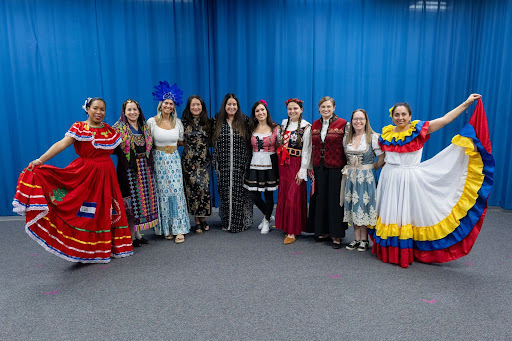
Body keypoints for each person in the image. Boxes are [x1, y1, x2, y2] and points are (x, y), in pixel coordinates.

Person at [368, 94, 494, 268]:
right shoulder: (387, 134)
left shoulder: (418, 130)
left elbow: (445, 119)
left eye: (403, 114)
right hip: (388, 178)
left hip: (408, 178)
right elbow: (380, 156)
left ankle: (406, 250)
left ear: (410, 116)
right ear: (392, 116)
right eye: (397, 115)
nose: (400, 118)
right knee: (390, 213)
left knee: (406, 214)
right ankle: (390, 249)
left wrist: (466, 103)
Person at [12, 97, 133, 263]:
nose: (99, 112)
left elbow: (119, 149)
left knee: (105, 210)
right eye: (95, 108)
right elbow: (61, 144)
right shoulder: (79, 127)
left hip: (107, 176)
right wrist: (40, 160)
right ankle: (84, 249)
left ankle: (105, 247)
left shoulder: (108, 130)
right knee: (86, 212)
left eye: (102, 109)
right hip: (86, 176)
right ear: (87, 109)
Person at [148, 81, 190, 243]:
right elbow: (147, 143)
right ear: (161, 104)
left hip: (173, 160)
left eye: (171, 103)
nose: (168, 106)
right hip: (158, 161)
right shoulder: (152, 122)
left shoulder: (177, 123)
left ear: (174, 106)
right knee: (163, 193)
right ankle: (167, 228)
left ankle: (178, 228)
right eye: (165, 103)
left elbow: (180, 141)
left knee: (176, 193)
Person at [113, 99, 159, 247]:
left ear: (139, 111)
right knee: (130, 203)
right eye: (129, 110)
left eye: (135, 109)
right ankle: (131, 237)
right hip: (127, 171)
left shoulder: (144, 127)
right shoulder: (118, 128)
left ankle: (138, 234)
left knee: (139, 203)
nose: (132, 112)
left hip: (144, 169)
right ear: (124, 112)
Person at [307, 96, 348, 249]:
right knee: (321, 198)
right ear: (319, 108)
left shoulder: (343, 124)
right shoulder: (315, 125)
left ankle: (336, 234)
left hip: (336, 167)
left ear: (334, 107)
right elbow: (311, 147)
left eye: (328, 107)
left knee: (335, 200)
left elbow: (347, 145)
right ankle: (322, 231)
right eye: (323, 107)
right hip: (319, 166)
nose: (326, 109)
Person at [341, 109, 384, 252]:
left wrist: (371, 169)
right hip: (351, 177)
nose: (358, 121)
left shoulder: (373, 137)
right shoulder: (348, 138)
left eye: (361, 119)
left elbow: (382, 158)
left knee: (364, 206)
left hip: (366, 177)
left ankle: (365, 239)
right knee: (354, 205)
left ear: (366, 121)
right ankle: (356, 238)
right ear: (351, 121)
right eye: (355, 119)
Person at [212, 93, 253, 233]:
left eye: (234, 104)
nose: (231, 107)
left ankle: (239, 223)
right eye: (229, 104)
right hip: (222, 165)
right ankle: (227, 222)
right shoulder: (217, 120)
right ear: (225, 106)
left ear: (237, 106)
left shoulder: (245, 121)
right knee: (225, 193)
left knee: (239, 193)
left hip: (240, 164)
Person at [275, 98, 312, 244]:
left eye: (295, 108)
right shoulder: (285, 123)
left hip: (296, 164)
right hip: (284, 164)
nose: (292, 111)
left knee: (293, 196)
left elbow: (307, 150)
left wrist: (303, 169)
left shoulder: (306, 126)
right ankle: (286, 225)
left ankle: (292, 231)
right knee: (284, 194)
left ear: (301, 109)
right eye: (290, 109)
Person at [244, 100, 280, 234]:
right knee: (254, 194)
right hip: (255, 162)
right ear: (254, 114)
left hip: (270, 162)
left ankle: (265, 221)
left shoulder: (275, 128)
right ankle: (268, 215)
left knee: (268, 194)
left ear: (267, 111)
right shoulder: (251, 128)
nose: (260, 113)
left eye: (262, 110)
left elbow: (280, 146)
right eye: (257, 111)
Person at [181, 95, 212, 234]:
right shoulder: (183, 122)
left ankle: (203, 217)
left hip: (203, 160)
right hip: (189, 161)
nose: (196, 107)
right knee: (192, 190)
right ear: (189, 107)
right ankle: (197, 221)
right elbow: (178, 139)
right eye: (193, 105)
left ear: (202, 106)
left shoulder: (208, 122)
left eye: (198, 105)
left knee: (203, 190)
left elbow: (211, 140)